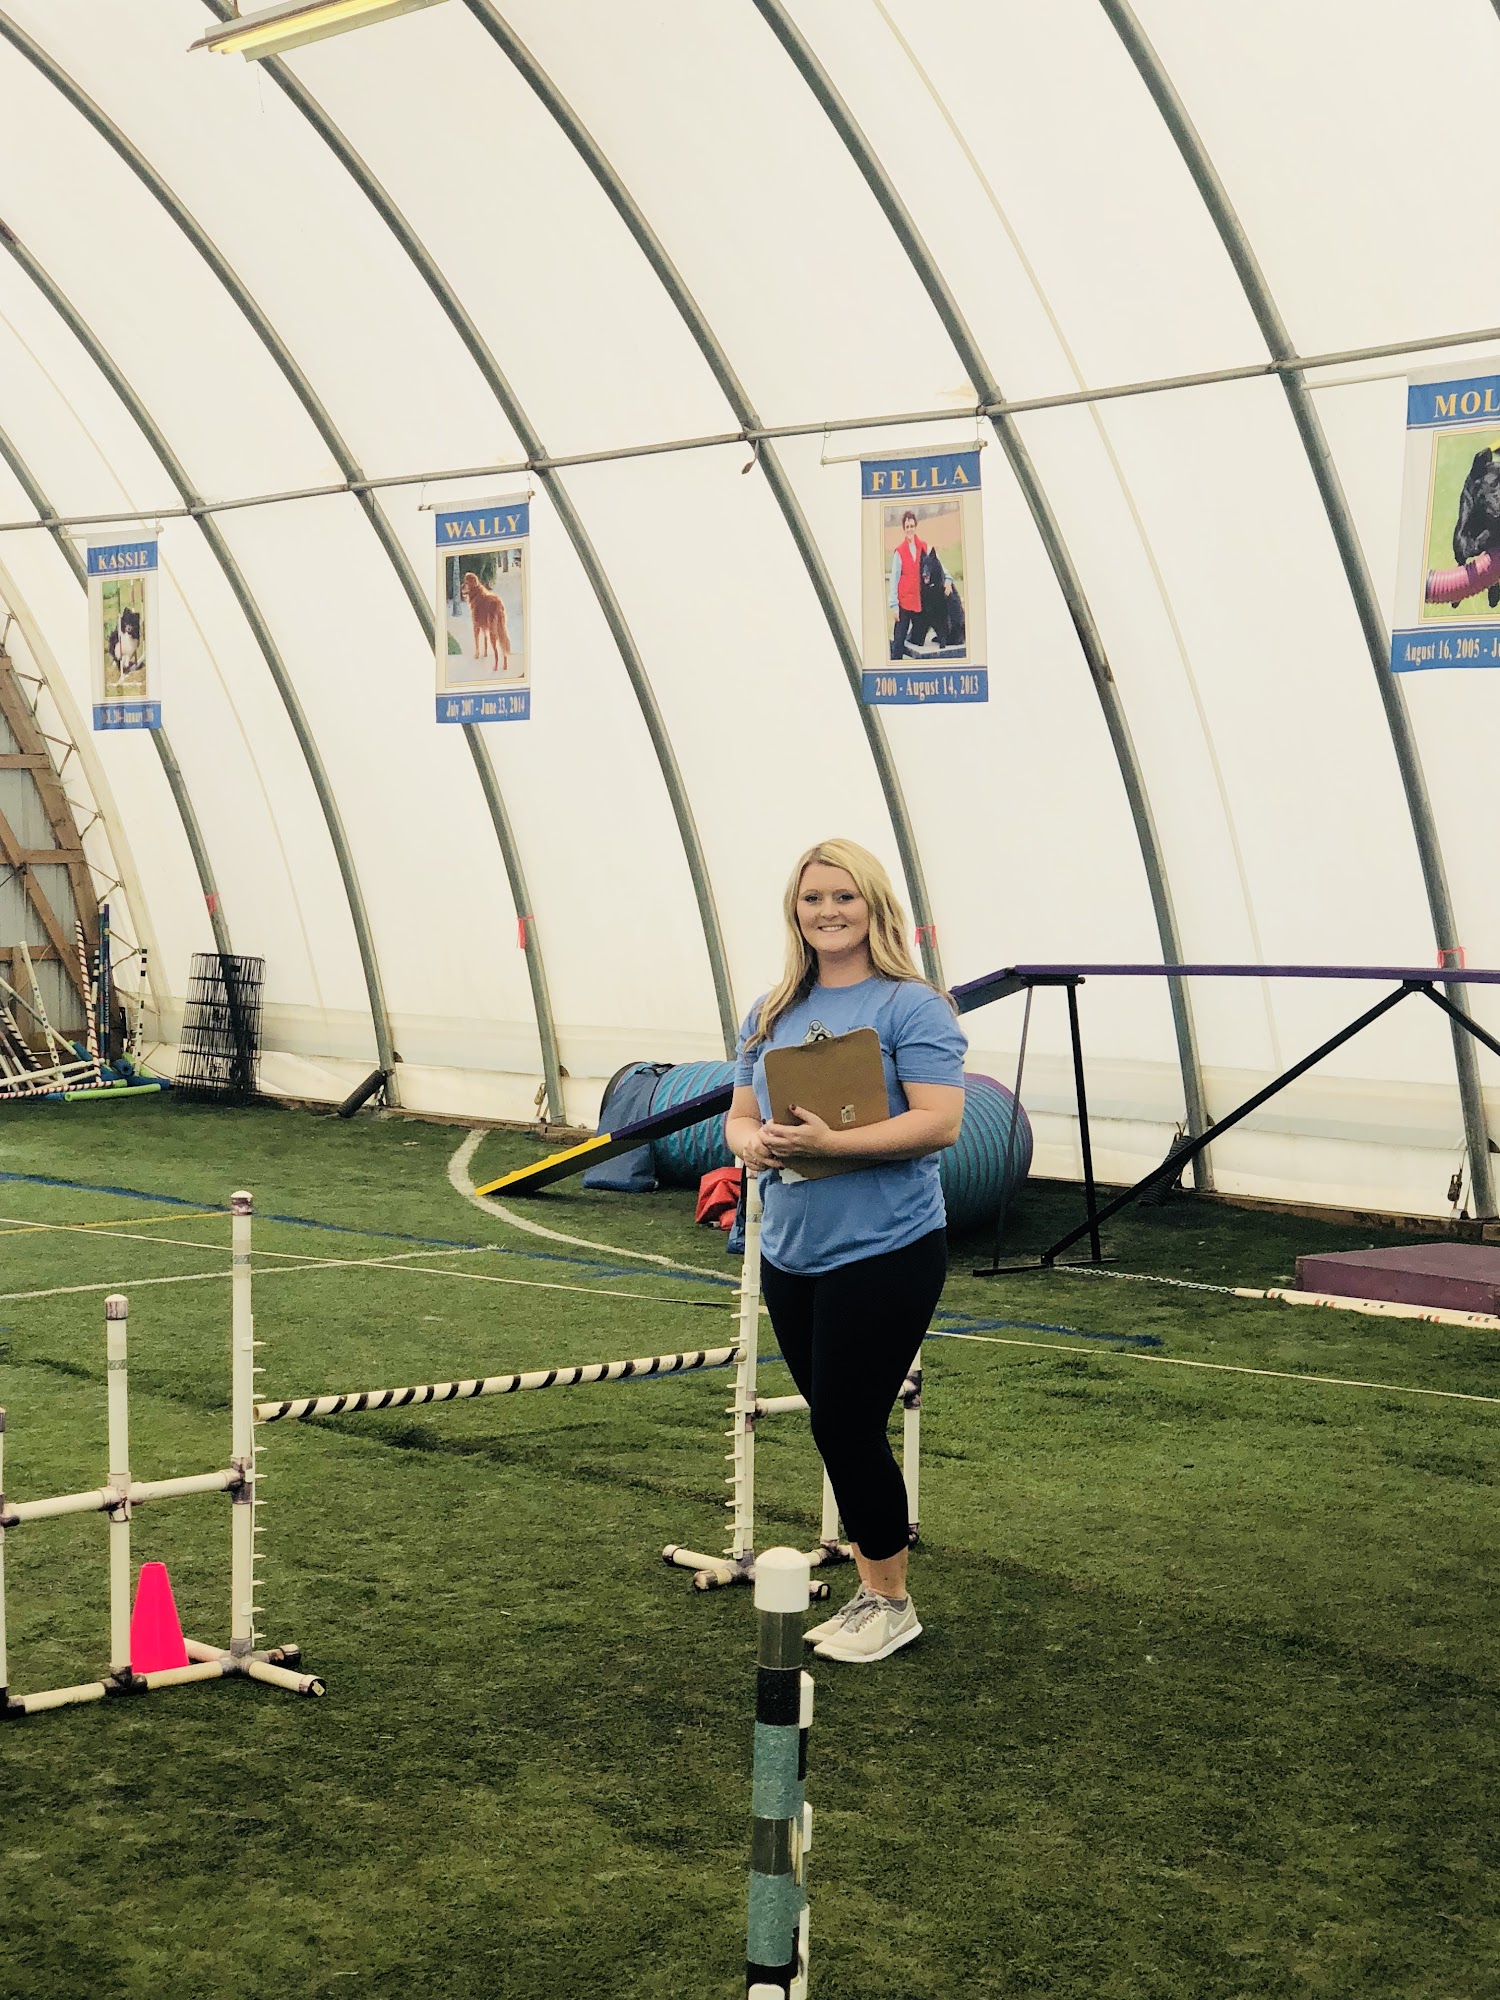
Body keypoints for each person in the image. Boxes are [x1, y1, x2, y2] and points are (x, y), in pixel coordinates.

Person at [726, 839, 966, 1663]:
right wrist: (753, 1143)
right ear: (795, 913)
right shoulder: (767, 1010)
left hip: (888, 1247)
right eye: (812, 899)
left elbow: (940, 1121)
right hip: (793, 1252)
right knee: (838, 1427)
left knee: (846, 1423)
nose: (827, 912)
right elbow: (736, 1115)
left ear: (874, 907)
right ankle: (872, 1593)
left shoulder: (913, 1007)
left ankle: (891, 1603)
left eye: (844, 898)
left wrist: (839, 1141)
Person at [887, 508, 929, 660]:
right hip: (903, 603)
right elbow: (894, 579)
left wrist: (949, 580)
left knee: (918, 643)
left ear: (915, 527)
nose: (910, 529)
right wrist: (894, 606)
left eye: (912, 526)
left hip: (918, 604)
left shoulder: (923, 547)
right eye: (907, 527)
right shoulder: (899, 551)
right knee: (898, 643)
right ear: (904, 529)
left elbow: (937, 564)